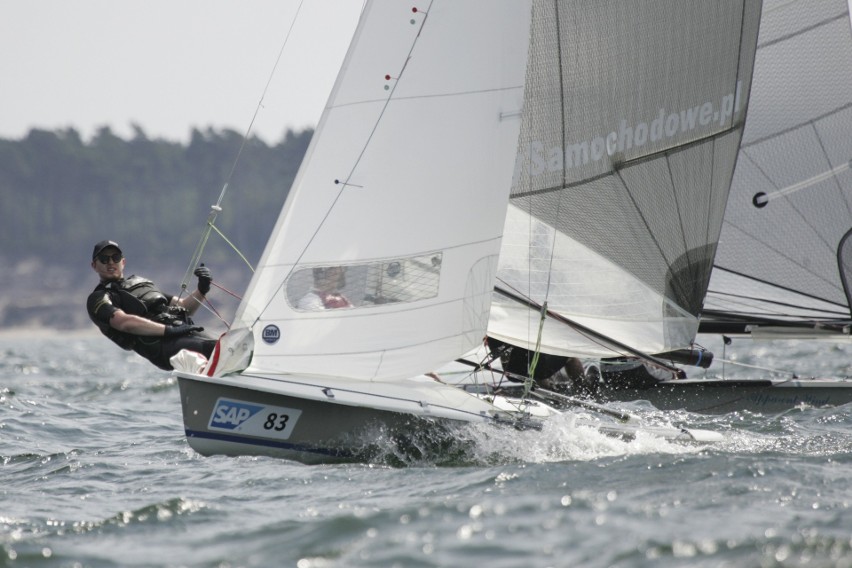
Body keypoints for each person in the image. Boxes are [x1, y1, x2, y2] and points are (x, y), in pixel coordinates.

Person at [86, 239, 217, 370]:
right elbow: (124, 322)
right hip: (161, 346)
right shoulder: (98, 298)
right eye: (104, 259)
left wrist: (202, 289)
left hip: (182, 331)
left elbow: (185, 306)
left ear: (123, 262)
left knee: (228, 345)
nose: (110, 263)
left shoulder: (139, 283)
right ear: (94, 265)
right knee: (215, 348)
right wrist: (168, 331)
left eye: (116, 257)